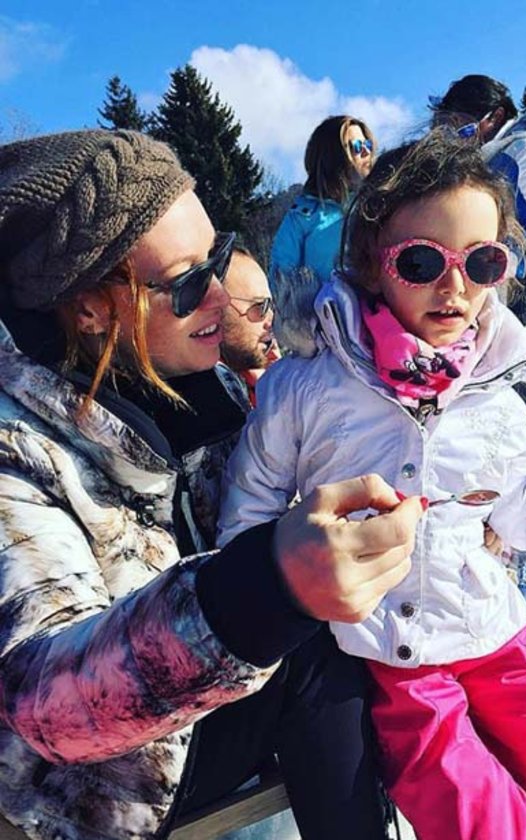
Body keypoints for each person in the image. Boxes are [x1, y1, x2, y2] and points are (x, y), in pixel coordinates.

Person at [218, 129, 526, 840]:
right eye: (422, 260)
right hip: (396, 655)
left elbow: (523, 515)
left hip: (496, 633)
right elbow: (249, 513)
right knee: (483, 821)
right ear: (372, 263)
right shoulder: (307, 387)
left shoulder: (494, 387)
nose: (455, 286)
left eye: (482, 261)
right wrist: (291, 583)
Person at [0, 129, 425, 840]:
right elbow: (42, 699)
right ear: (90, 308)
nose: (223, 300)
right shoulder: (18, 450)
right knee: (312, 648)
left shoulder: (208, 388)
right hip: (97, 787)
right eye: (189, 282)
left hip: (209, 710)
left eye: (218, 259)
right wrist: (261, 594)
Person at [429, 74, 526, 341]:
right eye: (449, 126)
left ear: (495, 117)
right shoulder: (488, 160)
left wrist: (488, 267)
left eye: (463, 124)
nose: (457, 136)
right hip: (491, 312)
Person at [269, 115, 375, 292]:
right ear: (333, 157)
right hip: (321, 308)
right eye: (356, 147)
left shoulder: (379, 206)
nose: (366, 152)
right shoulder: (303, 215)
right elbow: (280, 281)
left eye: (367, 145)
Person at [220, 243, 280, 407]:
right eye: (260, 306)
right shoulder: (211, 404)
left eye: (271, 306)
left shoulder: (256, 387)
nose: (272, 320)